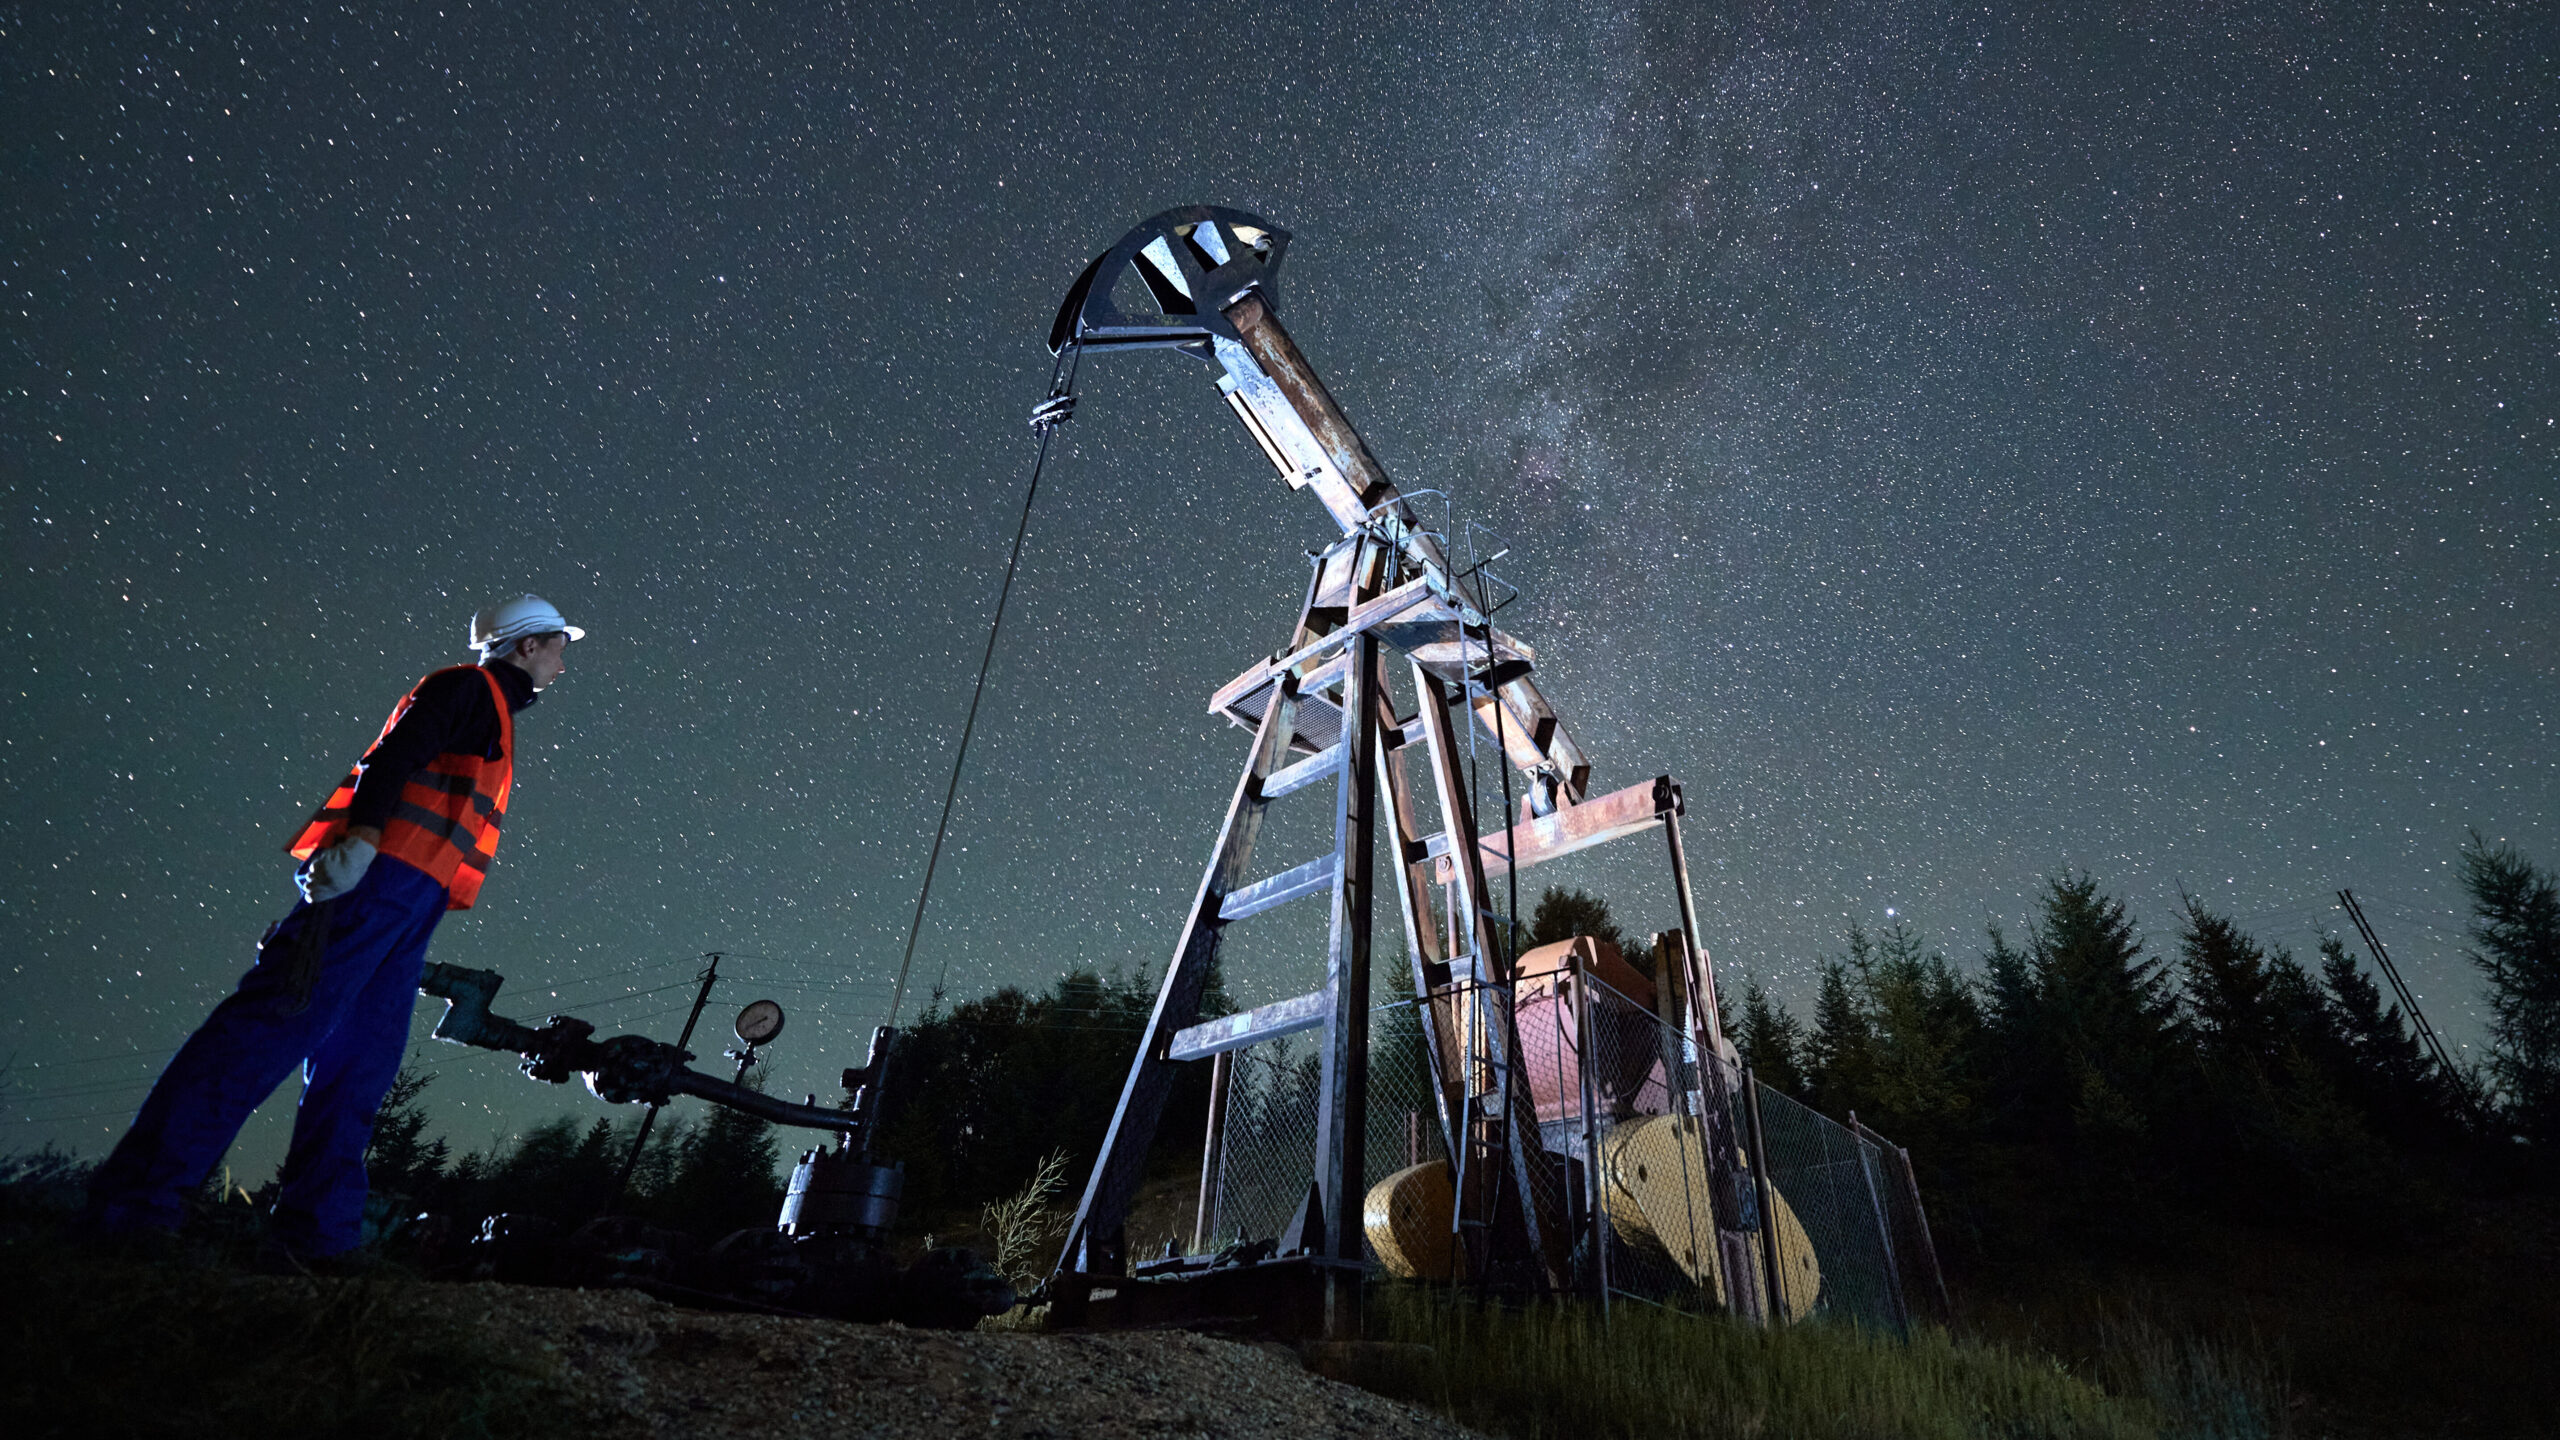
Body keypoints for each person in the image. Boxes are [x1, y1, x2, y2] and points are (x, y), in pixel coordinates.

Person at [82, 594, 585, 1262]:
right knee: (261, 1035)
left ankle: (317, 1238)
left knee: (359, 1068)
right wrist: (362, 839)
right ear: (527, 646)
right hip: (374, 885)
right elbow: (393, 757)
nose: (562, 661)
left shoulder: (489, 709)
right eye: (558, 646)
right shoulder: (465, 688)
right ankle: (132, 1214)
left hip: (409, 906)